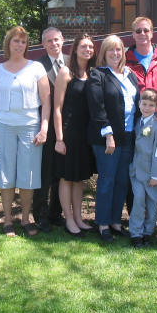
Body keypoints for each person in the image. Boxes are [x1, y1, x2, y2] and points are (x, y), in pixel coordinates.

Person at [0, 26, 50, 237]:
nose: (20, 45)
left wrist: (44, 128)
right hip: (3, 126)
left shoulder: (36, 68)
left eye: (23, 42)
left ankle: (25, 219)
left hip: (30, 127)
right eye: (16, 41)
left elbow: (46, 102)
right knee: (5, 174)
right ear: (8, 43)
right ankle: (7, 220)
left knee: (28, 175)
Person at [87, 35, 139, 242]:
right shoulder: (98, 74)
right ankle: (102, 223)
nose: (115, 53)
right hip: (107, 137)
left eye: (118, 49)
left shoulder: (130, 75)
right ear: (104, 53)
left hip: (129, 135)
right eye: (111, 49)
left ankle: (116, 222)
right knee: (107, 180)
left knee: (122, 181)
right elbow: (97, 107)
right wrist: (108, 134)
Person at [53, 33, 97, 237]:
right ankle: (69, 219)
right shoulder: (66, 72)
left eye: (90, 47)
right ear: (76, 49)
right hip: (68, 133)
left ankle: (79, 218)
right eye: (83, 46)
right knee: (66, 177)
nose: (87, 50)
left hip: (86, 134)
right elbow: (57, 108)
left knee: (80, 178)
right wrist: (59, 139)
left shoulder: (92, 74)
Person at [124, 17, 157, 213]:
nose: (142, 34)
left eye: (146, 30)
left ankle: (152, 215)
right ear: (132, 34)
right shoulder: (125, 59)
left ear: (152, 33)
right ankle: (135, 213)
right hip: (135, 122)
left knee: (156, 167)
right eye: (138, 31)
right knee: (135, 167)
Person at [34, 27, 69, 232]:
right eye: (49, 41)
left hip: (67, 126)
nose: (53, 43)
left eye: (56, 39)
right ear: (43, 44)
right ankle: (41, 214)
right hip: (45, 125)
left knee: (62, 172)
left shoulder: (71, 62)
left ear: (63, 40)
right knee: (45, 172)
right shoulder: (37, 66)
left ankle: (56, 213)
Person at [128, 88, 157, 248]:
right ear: (139, 104)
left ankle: (148, 232)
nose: (147, 108)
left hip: (152, 174)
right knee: (138, 202)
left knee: (153, 204)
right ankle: (135, 233)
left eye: (151, 105)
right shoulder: (137, 122)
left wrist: (156, 176)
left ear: (156, 107)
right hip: (137, 172)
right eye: (144, 104)